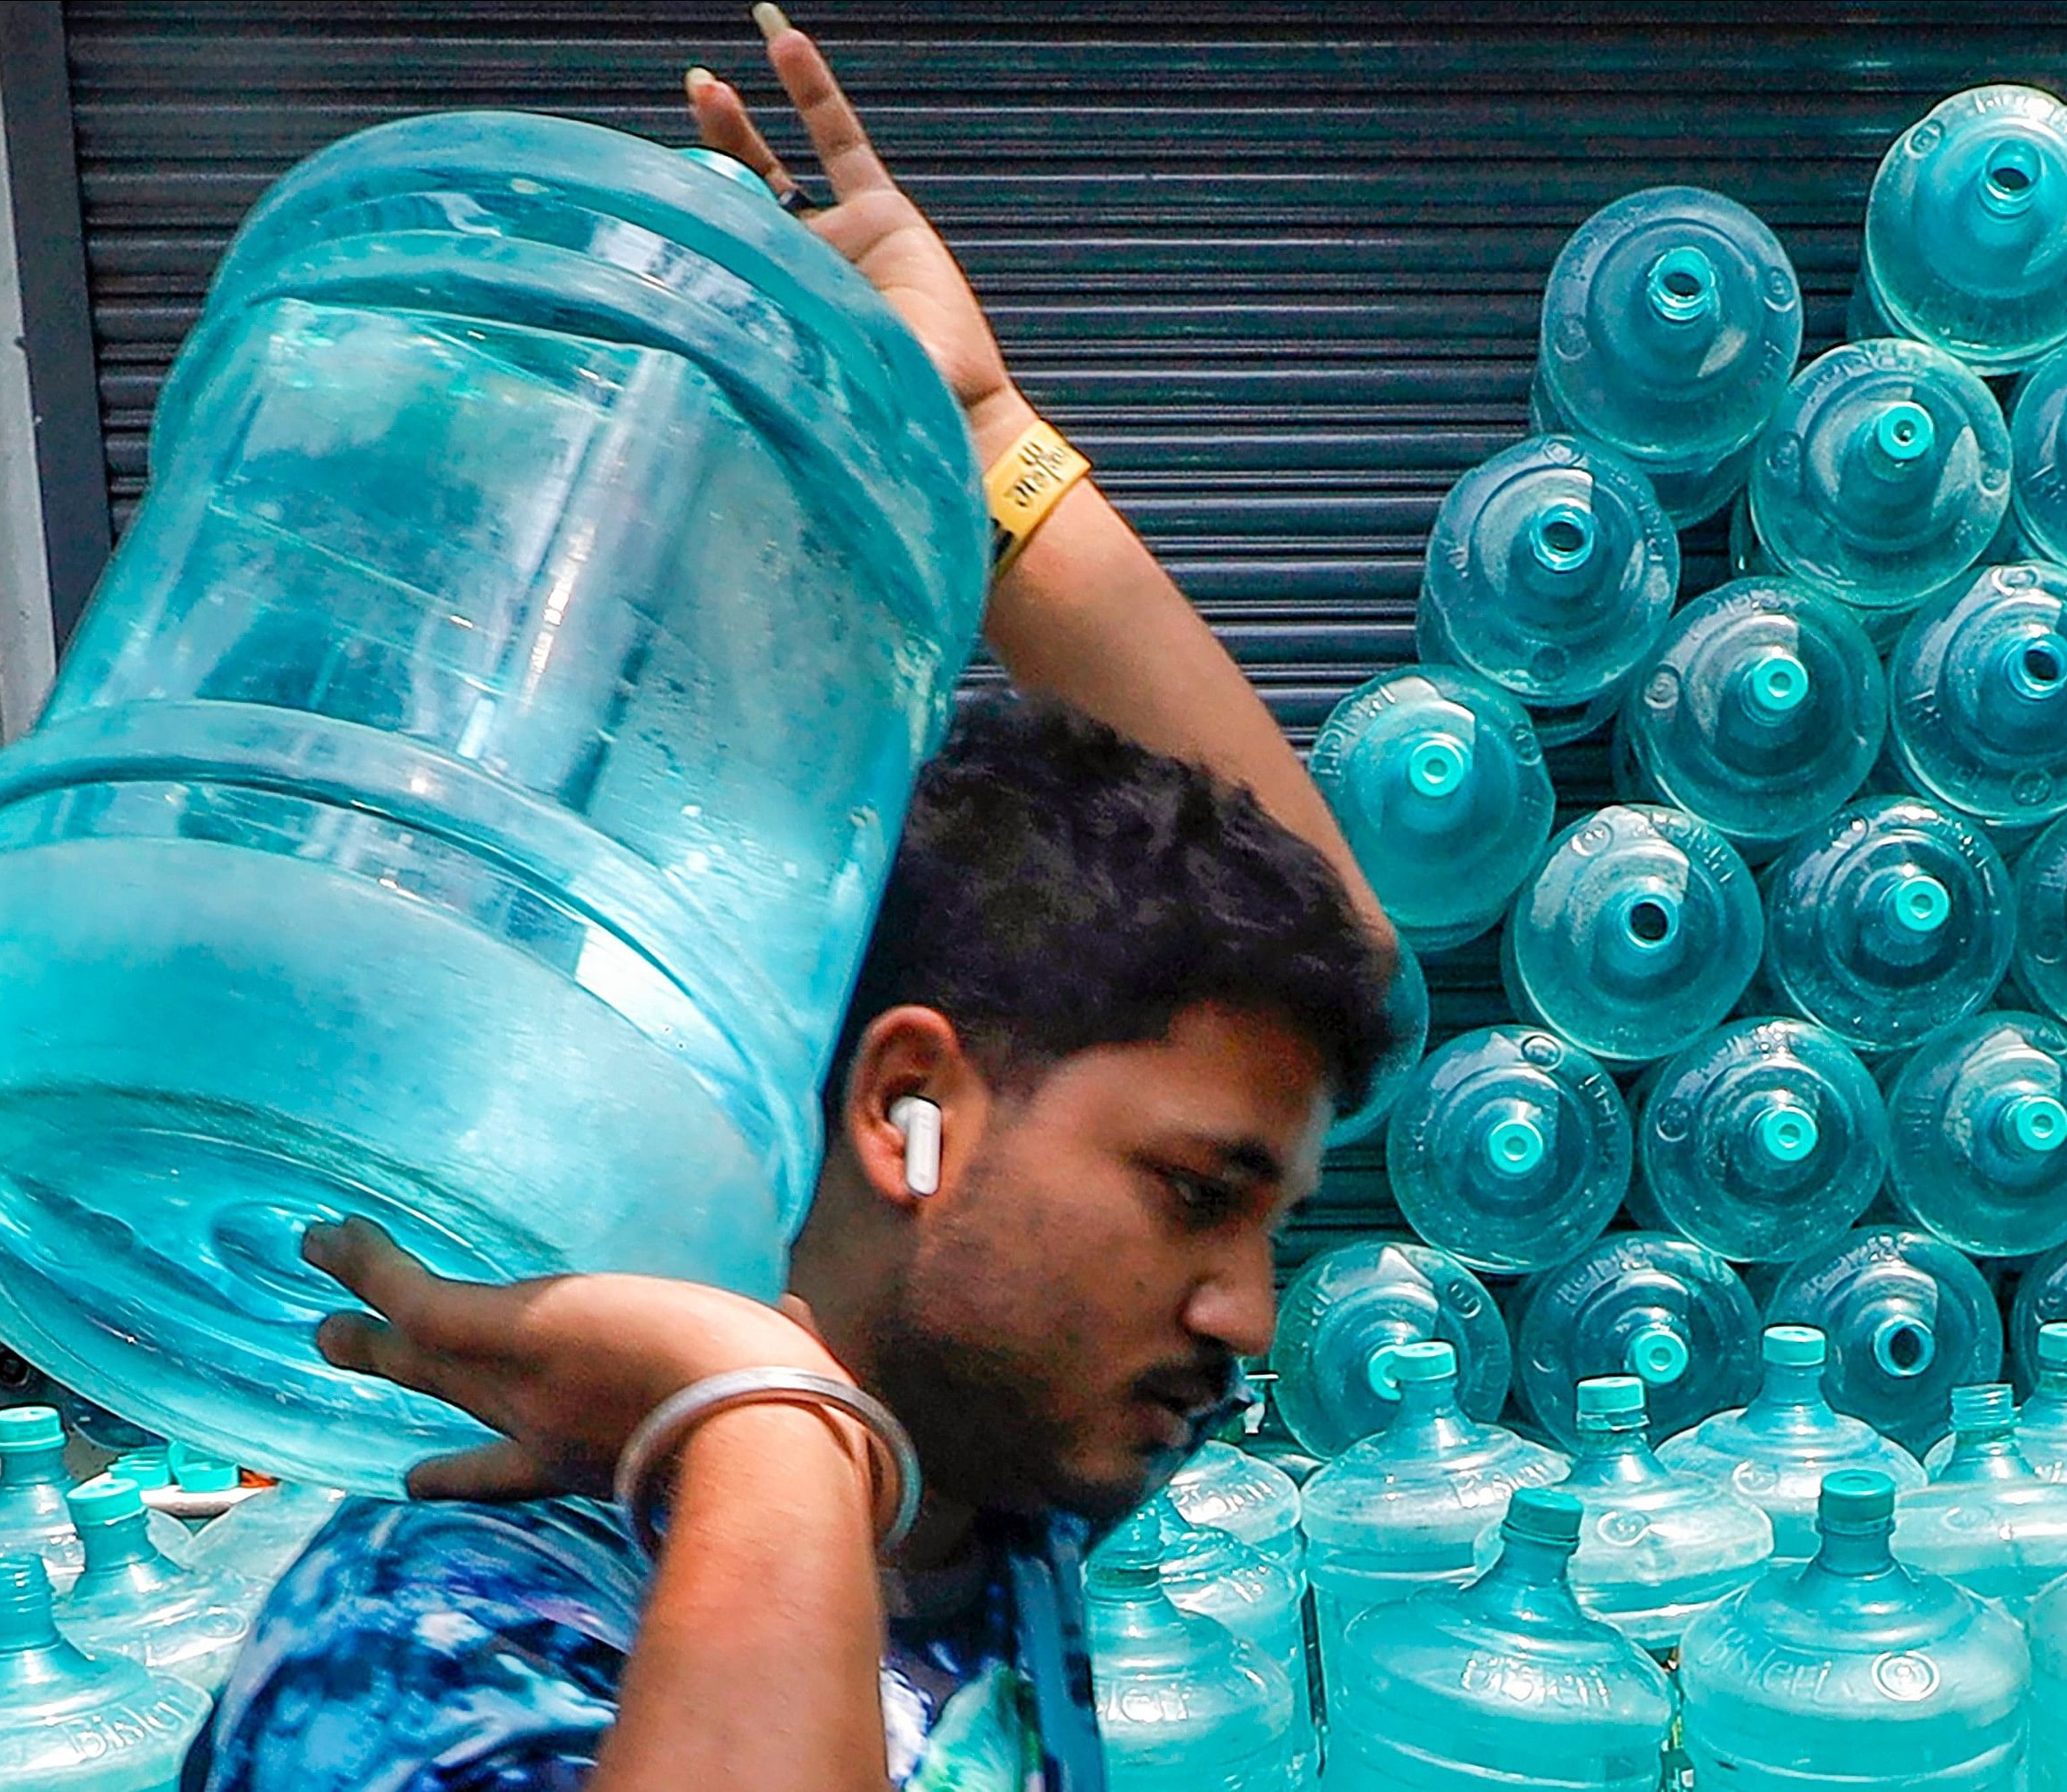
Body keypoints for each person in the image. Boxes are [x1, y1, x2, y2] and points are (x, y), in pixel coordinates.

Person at [182, 10, 1390, 1792]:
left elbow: (1337, 960)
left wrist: (979, 443)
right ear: (910, 1109)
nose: (1246, 1313)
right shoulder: (441, 1632)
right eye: (1199, 1195)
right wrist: (760, 1424)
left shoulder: (976, 1484)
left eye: (1263, 1220)